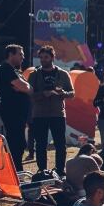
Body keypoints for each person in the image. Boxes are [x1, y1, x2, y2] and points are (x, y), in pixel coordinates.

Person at [28, 45, 75, 174]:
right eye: (41, 57)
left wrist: (62, 93)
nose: (43, 59)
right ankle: (42, 170)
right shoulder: (34, 75)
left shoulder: (63, 74)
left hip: (58, 114)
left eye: (46, 57)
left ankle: (60, 170)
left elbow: (72, 93)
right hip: (39, 114)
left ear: (52, 57)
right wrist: (43, 94)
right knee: (41, 144)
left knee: (60, 144)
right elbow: (29, 95)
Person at [0, 44, 32, 166]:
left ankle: (17, 171)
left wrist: (25, 88)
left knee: (19, 143)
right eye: (20, 54)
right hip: (12, 113)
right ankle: (16, 172)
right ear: (11, 55)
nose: (23, 57)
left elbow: (28, 88)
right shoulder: (6, 69)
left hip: (18, 114)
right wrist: (25, 88)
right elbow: (25, 87)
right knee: (16, 143)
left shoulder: (14, 70)